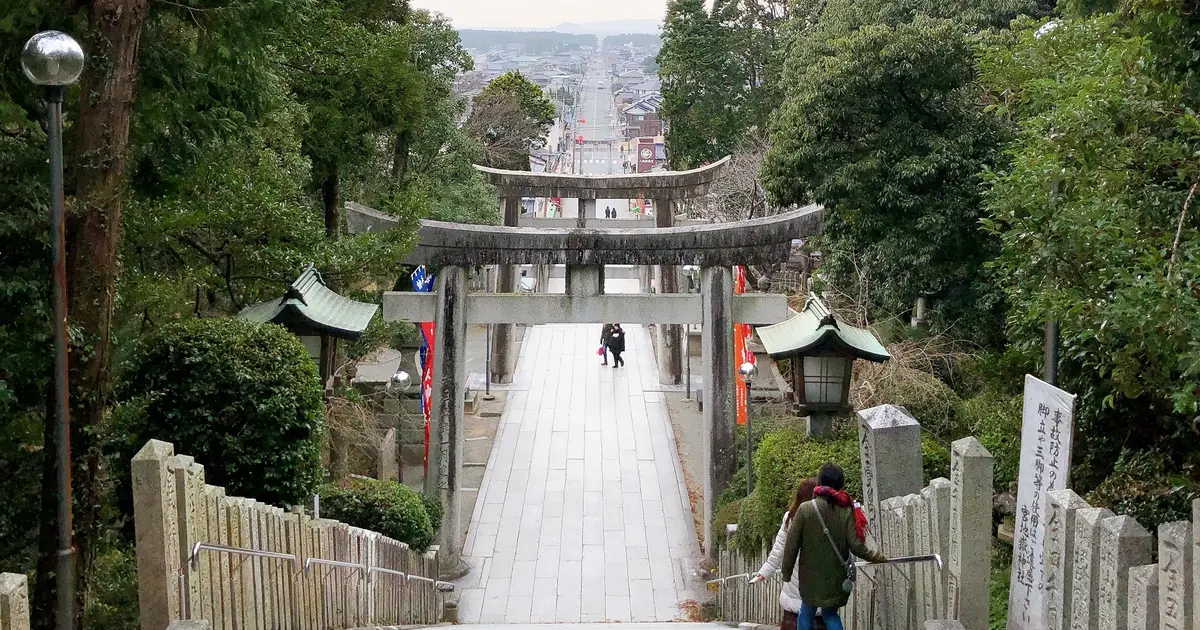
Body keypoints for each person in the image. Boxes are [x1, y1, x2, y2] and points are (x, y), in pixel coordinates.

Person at [781, 463, 886, 630]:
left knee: (807, 610)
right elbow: (855, 545)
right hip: (835, 575)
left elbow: (791, 545)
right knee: (830, 614)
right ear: (840, 484)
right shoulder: (845, 510)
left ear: (820, 483)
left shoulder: (805, 509)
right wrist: (877, 557)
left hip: (810, 576)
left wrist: (786, 573)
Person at [749, 478, 820, 630]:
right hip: (819, 583)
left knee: (795, 619)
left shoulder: (790, 518)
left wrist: (765, 571)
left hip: (794, 582)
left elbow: (779, 548)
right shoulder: (825, 517)